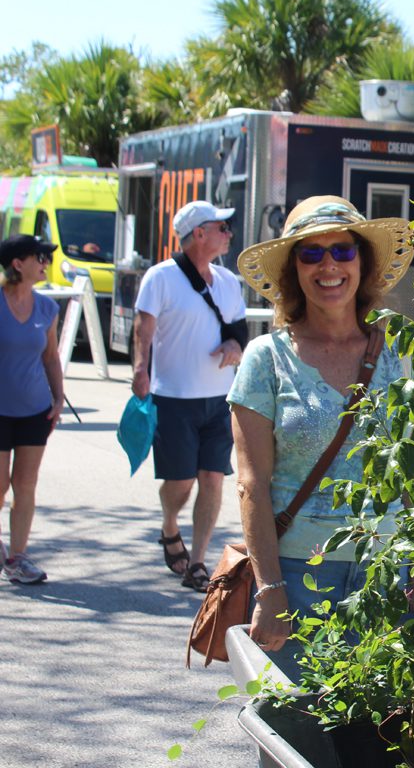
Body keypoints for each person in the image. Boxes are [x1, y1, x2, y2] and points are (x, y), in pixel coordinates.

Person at [228, 195, 414, 676]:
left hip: (389, 579)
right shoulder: (266, 359)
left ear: (363, 262)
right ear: (294, 269)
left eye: (342, 250)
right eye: (311, 253)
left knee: (380, 740)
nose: (328, 265)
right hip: (299, 579)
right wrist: (269, 588)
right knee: (296, 736)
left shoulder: (404, 355)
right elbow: (251, 484)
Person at [132, 200, 247, 592]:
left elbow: (239, 332)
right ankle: (168, 526)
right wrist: (139, 369)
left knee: (212, 478)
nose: (229, 233)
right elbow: (143, 329)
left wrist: (234, 347)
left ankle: (197, 562)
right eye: (222, 227)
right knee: (180, 483)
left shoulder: (229, 283)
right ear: (199, 234)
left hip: (219, 400)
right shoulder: (160, 278)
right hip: (173, 399)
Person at [0, 236, 65, 584]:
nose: (45, 263)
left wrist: (58, 398)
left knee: (25, 484)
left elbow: (50, 357)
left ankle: (17, 557)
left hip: (35, 410)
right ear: (17, 263)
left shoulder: (47, 309)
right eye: (39, 257)